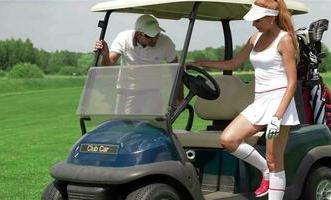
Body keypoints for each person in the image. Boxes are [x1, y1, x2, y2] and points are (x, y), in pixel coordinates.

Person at [190, 0, 299, 199]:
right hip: (260, 101)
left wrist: (278, 116)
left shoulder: (285, 40)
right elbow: (234, 63)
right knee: (228, 139)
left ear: (270, 18)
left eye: (257, 20)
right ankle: (265, 171)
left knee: (275, 160)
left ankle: (271, 176)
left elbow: (292, 82)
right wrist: (201, 62)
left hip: (280, 102)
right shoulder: (254, 38)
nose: (253, 24)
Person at [94, 14, 182, 114]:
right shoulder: (124, 38)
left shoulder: (166, 42)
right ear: (138, 34)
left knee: (152, 126)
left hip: (153, 92)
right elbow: (108, 65)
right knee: (124, 126)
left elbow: (176, 71)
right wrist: (105, 55)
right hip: (127, 90)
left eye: (157, 34)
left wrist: (179, 99)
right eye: (150, 36)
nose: (155, 39)